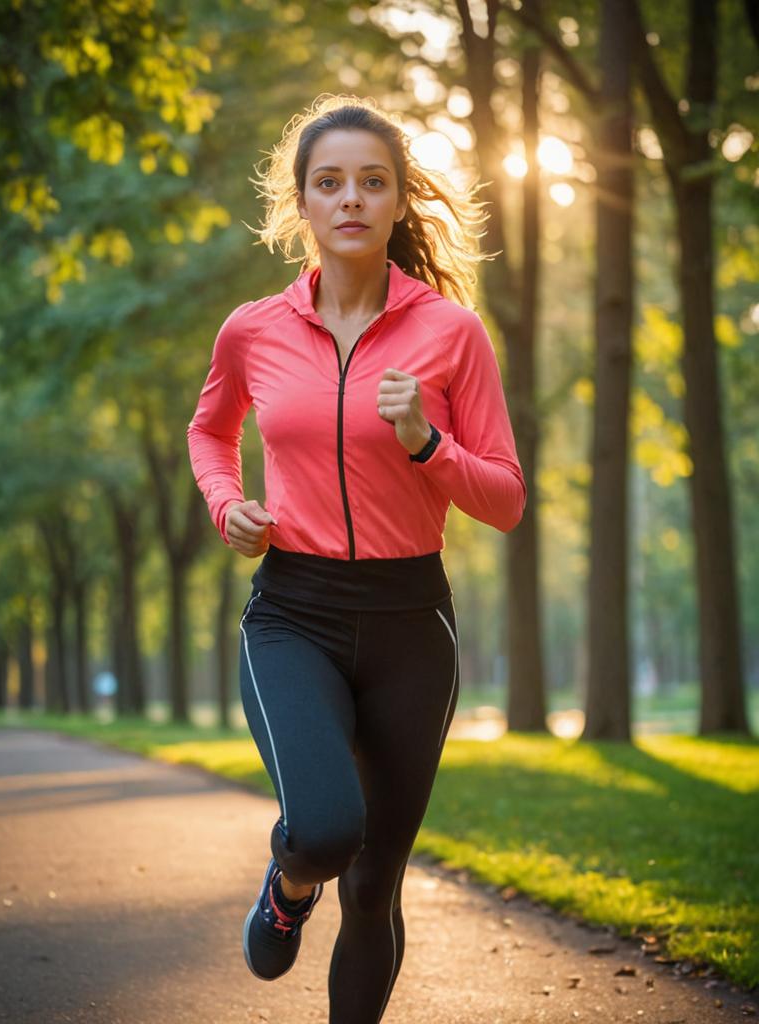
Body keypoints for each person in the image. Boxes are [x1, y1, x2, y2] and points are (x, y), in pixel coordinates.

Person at [187, 93, 526, 1024]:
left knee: (376, 882)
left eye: (372, 183)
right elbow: (210, 432)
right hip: (293, 612)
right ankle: (290, 885)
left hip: (414, 624)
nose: (351, 200)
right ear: (301, 203)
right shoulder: (252, 328)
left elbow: (503, 497)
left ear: (400, 203)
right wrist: (230, 505)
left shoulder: (452, 336)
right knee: (329, 830)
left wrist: (426, 442)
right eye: (329, 182)